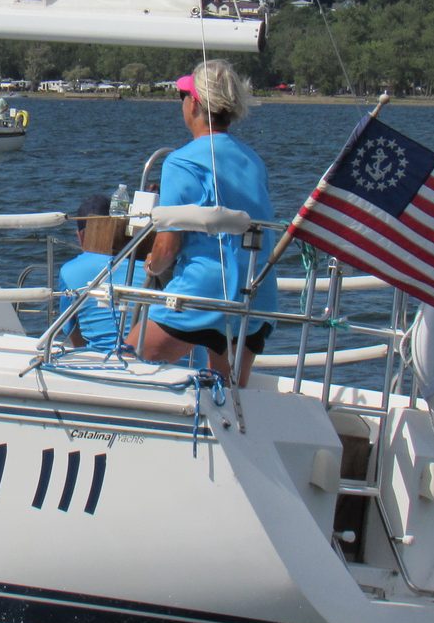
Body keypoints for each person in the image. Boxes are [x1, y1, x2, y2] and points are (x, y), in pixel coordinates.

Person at [129, 60, 277, 386]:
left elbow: (167, 248)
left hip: (207, 291)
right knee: (229, 390)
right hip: (259, 293)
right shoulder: (253, 160)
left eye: (182, 94)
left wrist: (152, 265)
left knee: (128, 359)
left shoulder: (180, 161)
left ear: (194, 103)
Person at [55, 193, 147, 352]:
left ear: (81, 235)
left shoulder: (68, 271)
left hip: (103, 358)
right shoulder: (147, 265)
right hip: (155, 358)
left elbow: (69, 326)